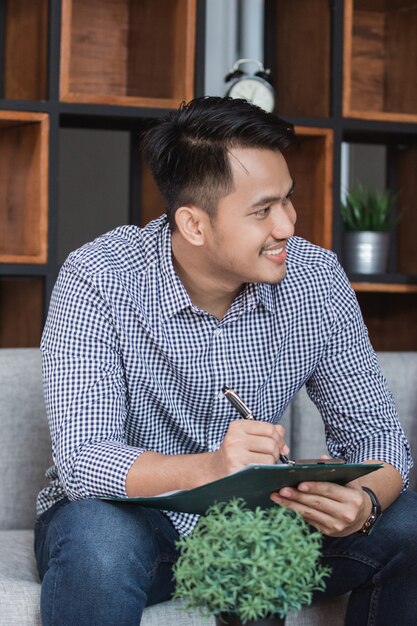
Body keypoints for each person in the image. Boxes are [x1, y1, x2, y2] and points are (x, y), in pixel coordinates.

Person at [35, 96, 417, 626]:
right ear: (194, 224)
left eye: (288, 200)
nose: (286, 225)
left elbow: (381, 441)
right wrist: (215, 469)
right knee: (97, 538)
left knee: (409, 524)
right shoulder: (100, 277)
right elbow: (85, 461)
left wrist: (365, 504)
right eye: (262, 210)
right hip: (136, 523)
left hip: (264, 520)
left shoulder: (316, 278)